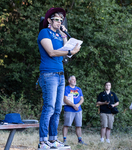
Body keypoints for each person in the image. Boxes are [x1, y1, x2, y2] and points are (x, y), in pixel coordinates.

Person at [37, 7, 80, 149]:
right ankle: (43, 141)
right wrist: (70, 51)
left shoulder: (58, 35)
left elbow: (66, 53)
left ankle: (53, 139)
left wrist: (64, 35)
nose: (59, 22)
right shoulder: (45, 32)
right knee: (49, 107)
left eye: (61, 20)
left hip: (60, 75)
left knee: (57, 109)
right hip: (49, 74)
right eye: (56, 19)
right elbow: (51, 52)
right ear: (49, 20)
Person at [62, 76, 87, 145]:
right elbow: (65, 99)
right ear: (69, 81)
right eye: (73, 79)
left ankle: (80, 140)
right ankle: (64, 140)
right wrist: (73, 105)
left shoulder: (79, 89)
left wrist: (78, 105)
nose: (74, 81)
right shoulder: (66, 88)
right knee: (66, 125)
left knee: (78, 126)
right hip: (69, 110)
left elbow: (82, 99)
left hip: (78, 110)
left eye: (75, 79)